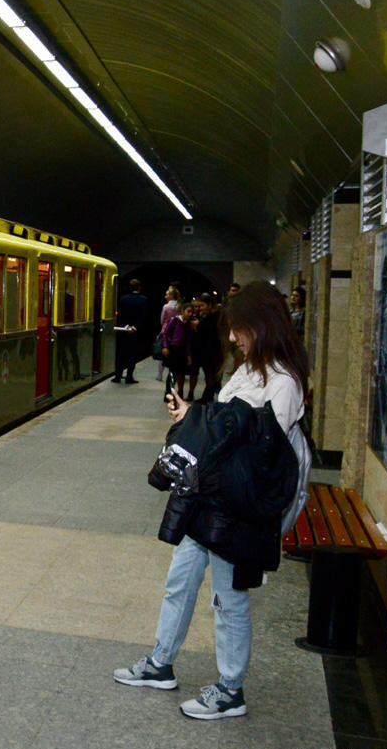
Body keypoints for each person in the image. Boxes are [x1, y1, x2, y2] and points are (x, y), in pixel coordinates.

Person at [113, 282, 311, 720]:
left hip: (240, 506)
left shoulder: (284, 381)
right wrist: (192, 415)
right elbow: (227, 423)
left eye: (239, 329)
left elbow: (262, 447)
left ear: (261, 325)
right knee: (180, 580)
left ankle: (230, 688)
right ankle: (160, 663)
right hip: (211, 493)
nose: (234, 338)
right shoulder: (249, 370)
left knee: (228, 597)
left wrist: (201, 418)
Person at [112, 279, 148, 383]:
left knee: (121, 354)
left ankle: (117, 376)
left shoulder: (123, 299)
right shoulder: (143, 300)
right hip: (135, 333)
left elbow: (120, 314)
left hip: (123, 330)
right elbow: (144, 316)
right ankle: (129, 377)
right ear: (139, 287)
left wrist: (126, 326)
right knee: (132, 355)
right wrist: (134, 327)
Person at [195, 292, 224, 403]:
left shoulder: (215, 317)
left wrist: (198, 326)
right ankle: (208, 396)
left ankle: (207, 397)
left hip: (212, 351)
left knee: (210, 375)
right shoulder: (210, 316)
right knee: (210, 375)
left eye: (202, 306)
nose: (200, 309)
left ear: (210, 305)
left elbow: (210, 333)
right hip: (209, 350)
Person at [161, 300, 193, 400]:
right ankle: (168, 393)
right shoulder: (174, 320)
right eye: (188, 311)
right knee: (173, 372)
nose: (190, 314)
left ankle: (177, 392)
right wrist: (165, 346)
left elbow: (188, 340)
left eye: (191, 312)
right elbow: (165, 334)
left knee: (181, 373)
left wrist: (188, 355)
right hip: (173, 349)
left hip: (182, 351)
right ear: (183, 311)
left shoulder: (188, 324)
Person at [155, 286, 180, 380]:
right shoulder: (180, 306)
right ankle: (173, 374)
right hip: (177, 332)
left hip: (165, 331)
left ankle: (160, 375)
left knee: (163, 354)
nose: (165, 296)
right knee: (174, 354)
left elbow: (162, 320)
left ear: (171, 296)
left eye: (167, 294)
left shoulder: (166, 307)